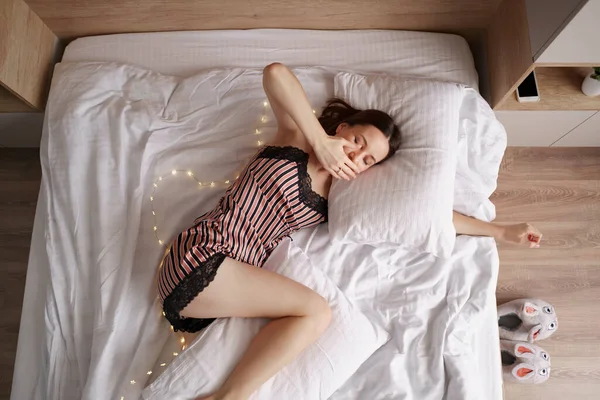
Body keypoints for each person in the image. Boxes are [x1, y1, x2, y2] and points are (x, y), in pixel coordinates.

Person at [156, 63, 542, 400]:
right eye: (357, 141)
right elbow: (275, 75)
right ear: (343, 127)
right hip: (203, 252)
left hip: (223, 277)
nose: (356, 156)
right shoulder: (293, 139)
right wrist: (321, 143)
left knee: (315, 315)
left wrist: (500, 231)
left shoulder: (341, 195)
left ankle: (230, 395)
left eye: (367, 159)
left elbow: (427, 215)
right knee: (315, 312)